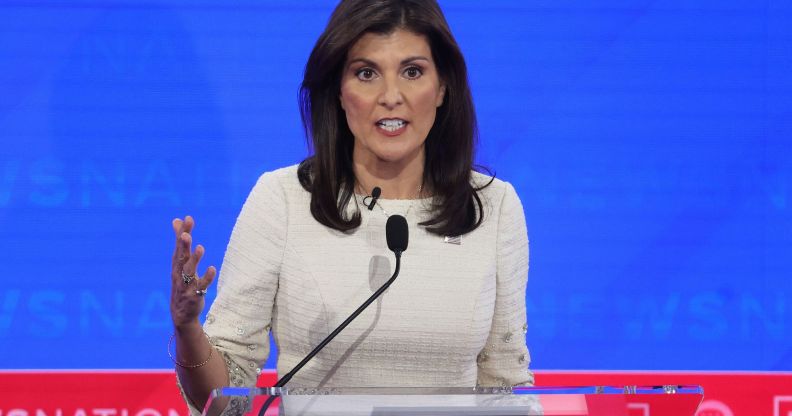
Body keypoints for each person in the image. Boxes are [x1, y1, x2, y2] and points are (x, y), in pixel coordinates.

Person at [169, 0, 533, 414]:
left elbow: (505, 387)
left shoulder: (492, 206)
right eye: (366, 73)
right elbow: (223, 404)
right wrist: (187, 327)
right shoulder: (283, 199)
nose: (391, 97)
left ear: (443, 87)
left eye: (412, 72)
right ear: (339, 92)